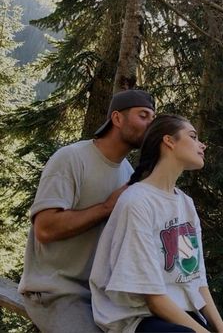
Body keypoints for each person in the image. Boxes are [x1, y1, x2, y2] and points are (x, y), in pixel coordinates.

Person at [18, 89, 155, 333]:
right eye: (143, 115)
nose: (150, 124)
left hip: (100, 296)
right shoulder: (71, 158)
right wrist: (106, 208)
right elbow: (45, 228)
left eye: (153, 119)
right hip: (54, 292)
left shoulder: (127, 171)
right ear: (117, 119)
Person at [90, 114, 223, 333]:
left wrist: (222, 331)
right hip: (138, 318)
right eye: (193, 137)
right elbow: (153, 298)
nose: (202, 145)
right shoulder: (137, 202)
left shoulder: (185, 204)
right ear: (169, 141)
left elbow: (197, 281)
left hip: (181, 314)